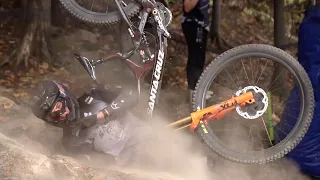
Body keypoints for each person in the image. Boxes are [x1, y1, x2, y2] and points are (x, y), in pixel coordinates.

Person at [31, 80, 152, 167]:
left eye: (59, 106)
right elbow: (100, 163)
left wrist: (102, 114)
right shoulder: (70, 141)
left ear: (64, 96)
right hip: (139, 162)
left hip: (151, 138)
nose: (60, 114)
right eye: (53, 115)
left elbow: (132, 95)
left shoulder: (93, 97)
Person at [181, 0, 211, 107]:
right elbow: (188, 6)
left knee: (199, 59)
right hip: (194, 23)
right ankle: (194, 97)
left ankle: (197, 92)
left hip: (201, 25)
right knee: (195, 60)